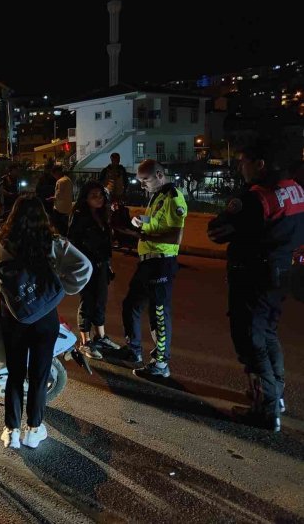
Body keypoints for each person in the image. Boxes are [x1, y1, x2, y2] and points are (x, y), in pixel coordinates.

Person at [207, 143, 304, 432]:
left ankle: (265, 409)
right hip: (283, 272)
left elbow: (216, 231)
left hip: (254, 275)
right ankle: (276, 395)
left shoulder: (257, 197)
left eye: (243, 161)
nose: (240, 167)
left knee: (251, 341)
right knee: (269, 332)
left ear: (260, 164)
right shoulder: (296, 189)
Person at [0, 195, 92, 449]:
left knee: (15, 373)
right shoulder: (52, 242)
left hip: (13, 315)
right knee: (39, 374)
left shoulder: (2, 240)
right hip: (45, 317)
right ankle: (33, 430)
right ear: (43, 217)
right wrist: (61, 288)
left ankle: (11, 431)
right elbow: (84, 267)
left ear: (13, 215)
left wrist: (4, 292)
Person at [116, 159, 187, 378]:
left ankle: (160, 364)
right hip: (148, 261)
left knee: (158, 313)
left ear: (158, 175)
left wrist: (144, 234)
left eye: (144, 179)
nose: (142, 184)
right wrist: (142, 220)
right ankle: (133, 349)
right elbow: (159, 222)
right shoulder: (158, 196)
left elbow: (175, 236)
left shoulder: (174, 197)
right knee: (131, 304)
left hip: (161, 262)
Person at [68, 181, 121, 359]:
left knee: (101, 301)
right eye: (93, 196)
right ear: (85, 198)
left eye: (100, 195)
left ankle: (101, 336)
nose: (98, 199)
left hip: (102, 265)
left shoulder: (102, 214)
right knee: (88, 302)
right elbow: (72, 244)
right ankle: (85, 342)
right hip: (86, 267)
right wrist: (83, 264)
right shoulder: (79, 216)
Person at [52, 164, 73, 235]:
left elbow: (58, 196)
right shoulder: (68, 179)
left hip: (59, 209)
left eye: (54, 174)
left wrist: (51, 198)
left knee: (58, 228)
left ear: (57, 172)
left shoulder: (60, 181)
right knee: (65, 228)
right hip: (68, 208)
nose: (54, 177)